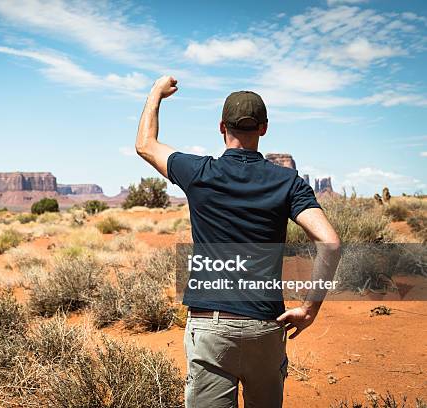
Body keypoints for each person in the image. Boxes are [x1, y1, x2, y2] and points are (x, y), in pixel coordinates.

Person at [135, 76, 341, 408]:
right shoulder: (288, 182)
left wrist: (156, 93)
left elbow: (145, 144)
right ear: (263, 128)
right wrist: (309, 309)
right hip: (265, 326)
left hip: (210, 327)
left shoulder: (198, 172)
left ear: (221, 127)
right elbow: (329, 243)